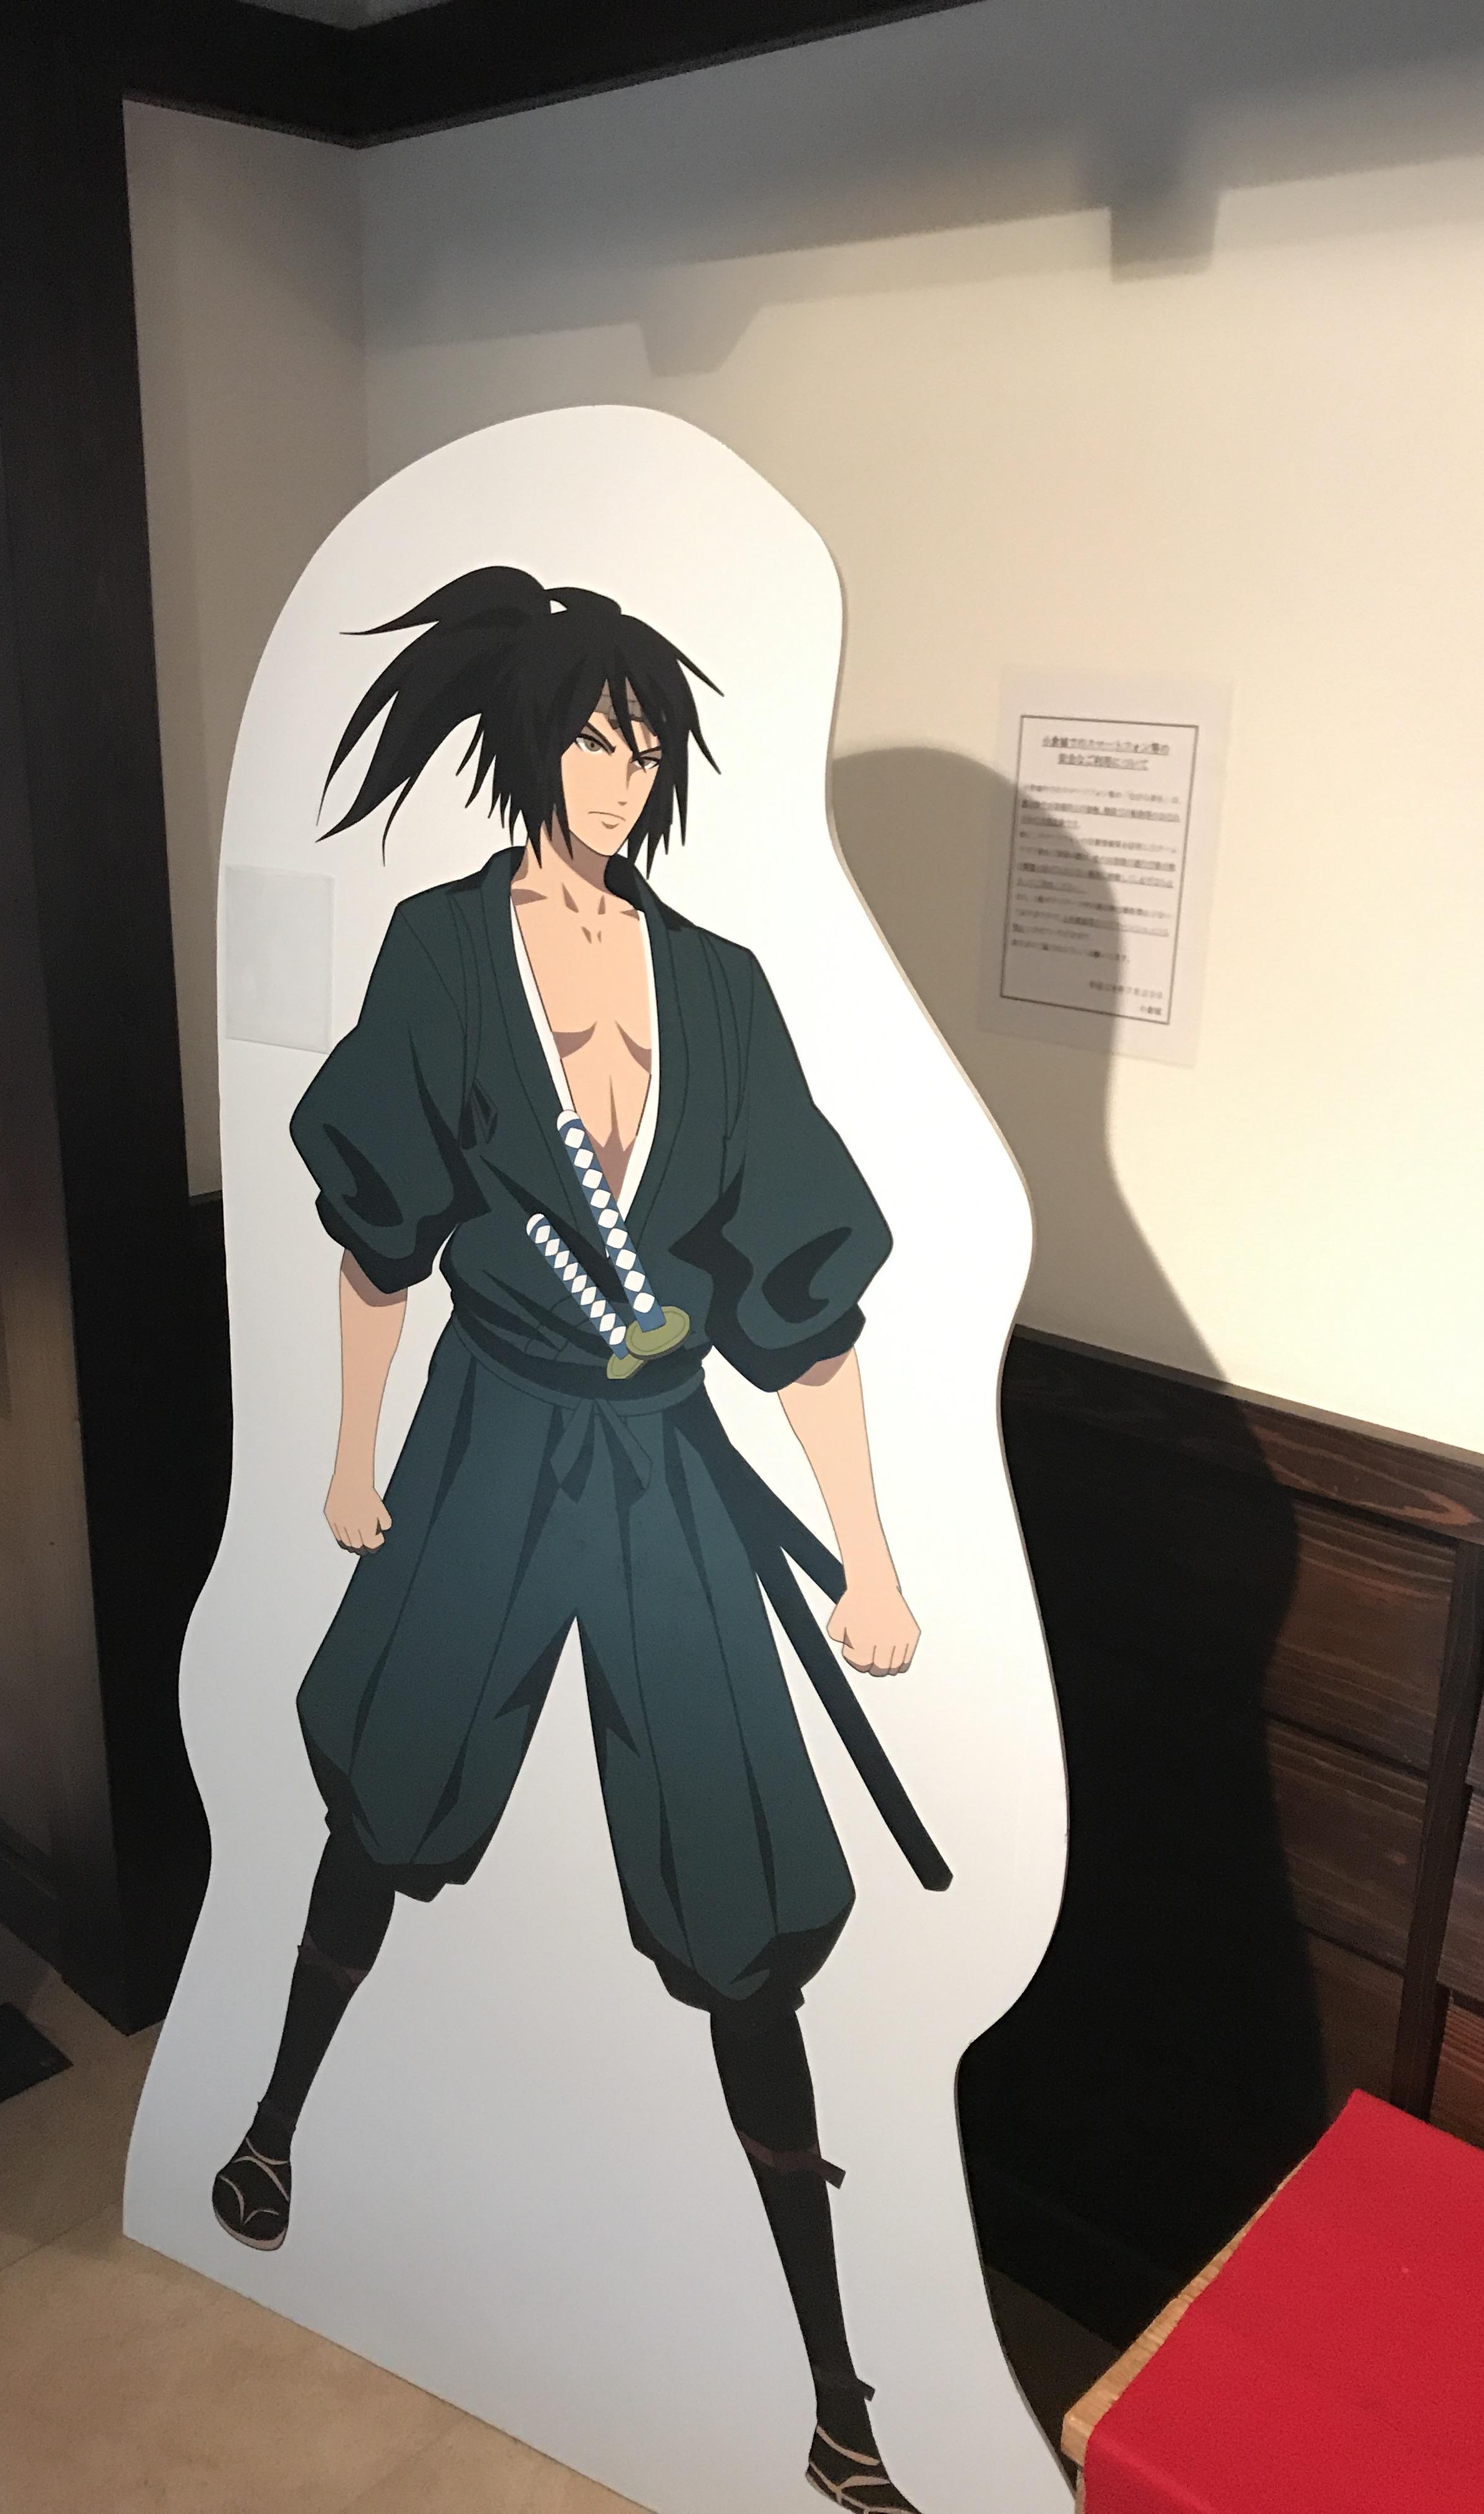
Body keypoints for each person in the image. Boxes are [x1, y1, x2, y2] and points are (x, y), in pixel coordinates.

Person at [211, 567, 931, 2512]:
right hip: (486, 1431)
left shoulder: (721, 987)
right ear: (532, 742)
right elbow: (380, 1235)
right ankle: (271, 2127)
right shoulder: (446, 954)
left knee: (741, 1895)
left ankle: (838, 2394)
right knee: (391, 1790)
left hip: (662, 1458)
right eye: (594, 739)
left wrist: (870, 1558)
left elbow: (805, 1308)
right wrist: (349, 1454)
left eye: (644, 746)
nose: (619, 776)